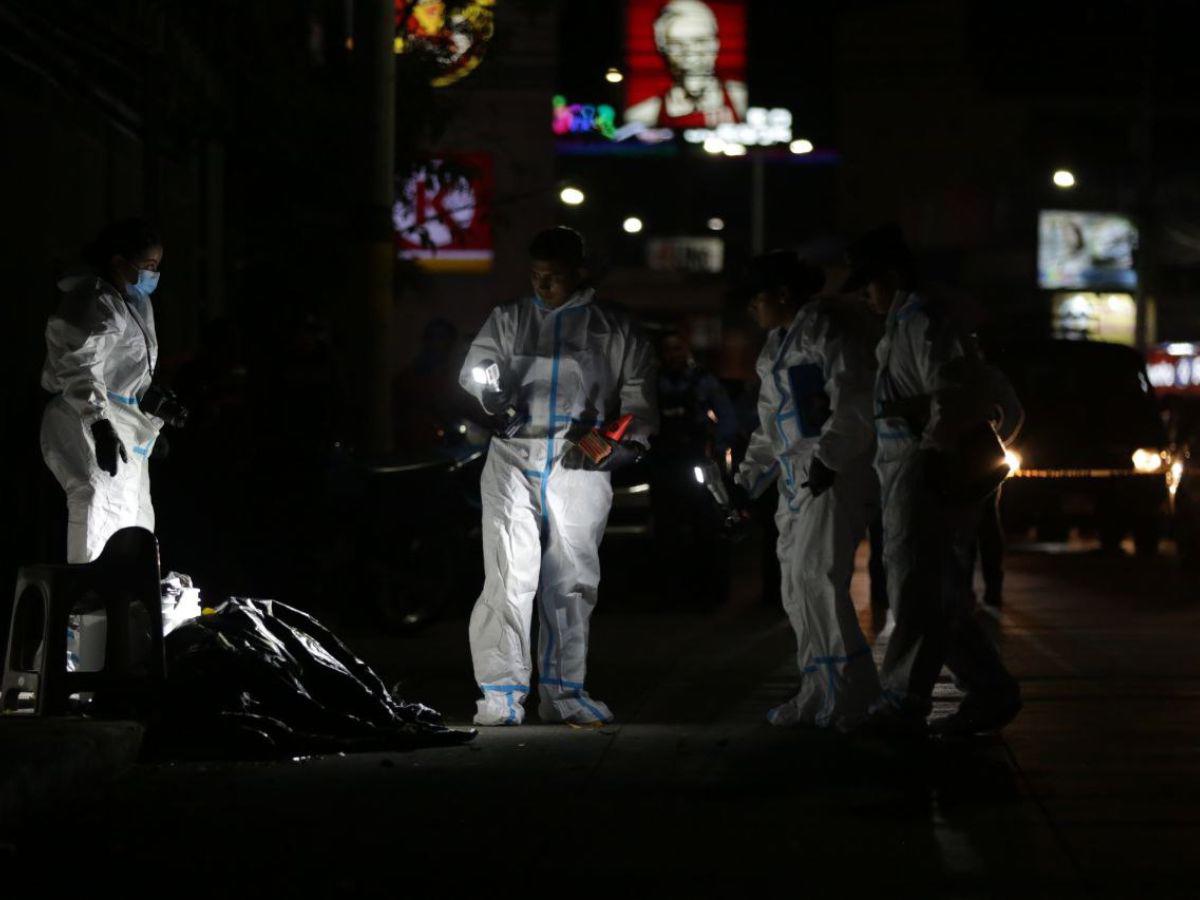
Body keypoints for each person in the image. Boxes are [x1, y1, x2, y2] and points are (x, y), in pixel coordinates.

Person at [459, 227, 658, 726]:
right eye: (535, 275)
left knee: (570, 580)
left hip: (578, 461)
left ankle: (564, 693)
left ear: (580, 272)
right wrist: (492, 396)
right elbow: (476, 369)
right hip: (512, 456)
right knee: (507, 573)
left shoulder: (614, 328)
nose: (542, 284)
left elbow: (639, 397)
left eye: (554, 275)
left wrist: (618, 447)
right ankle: (501, 694)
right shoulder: (509, 318)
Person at [848, 224, 1023, 737]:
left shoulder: (922, 321)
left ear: (894, 276)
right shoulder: (907, 323)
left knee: (915, 592)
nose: (864, 293)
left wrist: (930, 454)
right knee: (936, 597)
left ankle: (906, 701)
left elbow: (948, 394)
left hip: (920, 471)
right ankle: (990, 691)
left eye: (869, 282)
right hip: (910, 468)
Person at [732, 250, 881, 730]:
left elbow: (855, 400)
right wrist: (748, 481)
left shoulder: (828, 332)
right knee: (797, 586)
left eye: (756, 297)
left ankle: (851, 695)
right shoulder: (776, 347)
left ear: (782, 293)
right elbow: (769, 425)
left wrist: (829, 458)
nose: (751, 308)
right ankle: (817, 688)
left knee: (819, 578)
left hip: (831, 474)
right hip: (799, 477)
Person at [40, 219, 170, 564]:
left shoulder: (132, 303)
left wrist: (152, 414)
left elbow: (130, 373)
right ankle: (86, 606)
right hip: (84, 419)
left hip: (121, 425)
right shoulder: (94, 300)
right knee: (97, 507)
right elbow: (78, 365)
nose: (152, 274)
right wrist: (98, 422)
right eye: (147, 266)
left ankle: (124, 605)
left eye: (157, 266)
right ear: (117, 260)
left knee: (133, 516)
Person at [625, 0, 748, 128]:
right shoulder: (642, 115)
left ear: (716, 43)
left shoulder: (741, 99)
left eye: (700, 41)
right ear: (662, 49)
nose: (691, 54)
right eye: (676, 44)